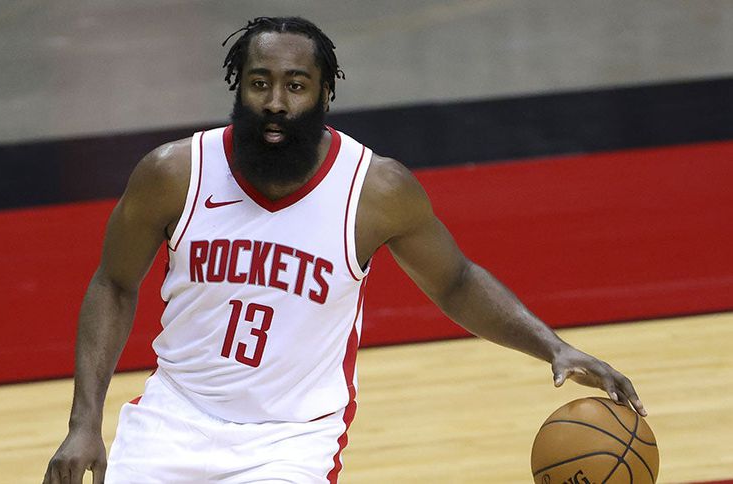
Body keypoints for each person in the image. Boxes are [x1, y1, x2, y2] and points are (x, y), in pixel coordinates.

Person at [44, 16, 646, 484]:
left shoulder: (374, 190)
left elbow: (456, 282)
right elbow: (114, 284)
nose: (276, 102)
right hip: (173, 421)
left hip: (290, 441)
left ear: (324, 93)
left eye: (296, 85)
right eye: (260, 83)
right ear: (238, 87)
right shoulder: (176, 173)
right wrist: (83, 424)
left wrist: (553, 347)